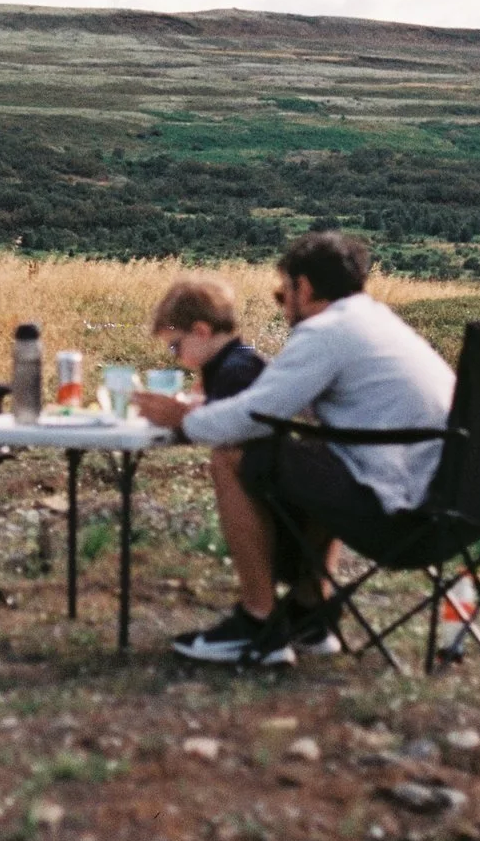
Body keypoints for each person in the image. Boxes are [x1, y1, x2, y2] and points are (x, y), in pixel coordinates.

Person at [133, 230, 455, 666]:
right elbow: (286, 401)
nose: (282, 305)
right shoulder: (372, 321)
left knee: (231, 454)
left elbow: (254, 417)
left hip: (399, 508)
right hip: (445, 499)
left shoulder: (327, 331)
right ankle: (310, 613)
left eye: (281, 294)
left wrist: (183, 420)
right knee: (315, 458)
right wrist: (208, 408)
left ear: (303, 287)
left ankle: (259, 622)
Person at [148, 272, 266, 403]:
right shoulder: (232, 363)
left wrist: (183, 414)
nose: (175, 355)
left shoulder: (237, 372)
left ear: (201, 332)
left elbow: (224, 422)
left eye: (174, 346)